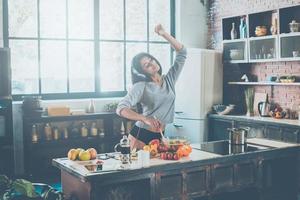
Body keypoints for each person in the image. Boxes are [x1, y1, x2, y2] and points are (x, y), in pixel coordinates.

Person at [116, 24, 187, 150]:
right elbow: (121, 108)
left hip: (160, 135)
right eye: (147, 65)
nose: (152, 64)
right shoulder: (141, 86)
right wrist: (144, 119)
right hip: (140, 135)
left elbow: (182, 52)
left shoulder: (169, 79)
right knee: (140, 169)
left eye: (151, 60)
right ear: (143, 72)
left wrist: (163, 33)